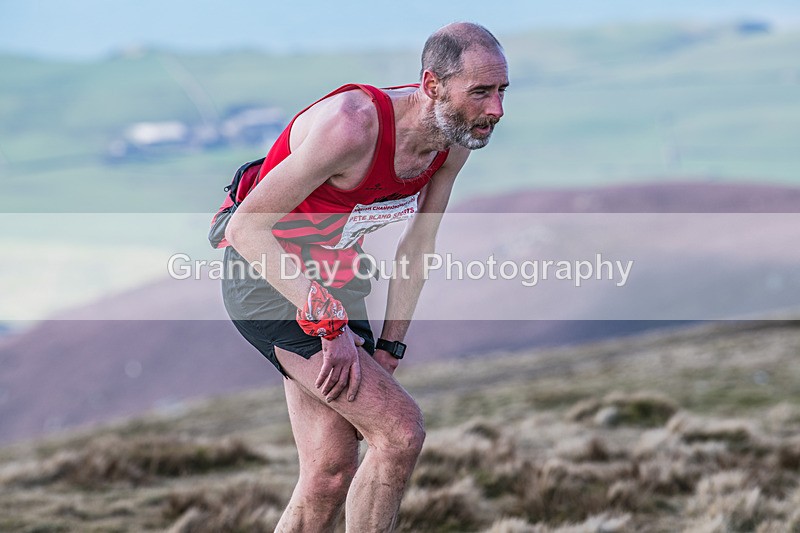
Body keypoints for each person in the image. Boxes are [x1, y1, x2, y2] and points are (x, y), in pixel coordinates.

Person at [222, 21, 508, 532]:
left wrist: (391, 347)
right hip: (268, 276)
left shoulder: (454, 139)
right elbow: (246, 226)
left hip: (337, 278)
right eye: (481, 92)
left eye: (502, 91)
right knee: (400, 433)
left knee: (329, 474)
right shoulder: (353, 125)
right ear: (432, 85)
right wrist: (330, 327)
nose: (496, 110)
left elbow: (418, 246)